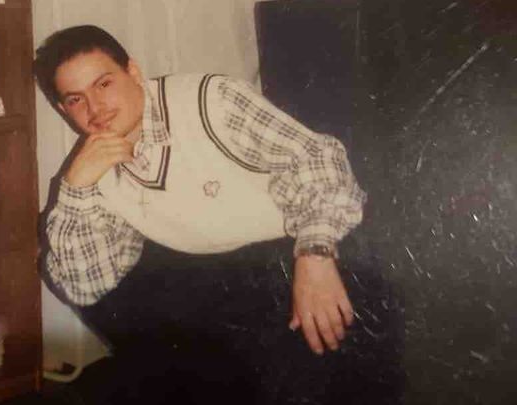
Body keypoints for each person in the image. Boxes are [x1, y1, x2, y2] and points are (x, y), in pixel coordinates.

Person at [34, 25, 368, 403]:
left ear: (134, 72)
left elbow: (317, 160)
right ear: (63, 110)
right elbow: (87, 286)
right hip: (213, 277)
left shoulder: (211, 100)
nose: (95, 109)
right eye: (76, 99)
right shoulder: (92, 163)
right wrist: (75, 188)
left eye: (104, 84)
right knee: (105, 289)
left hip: (299, 252)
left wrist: (315, 254)